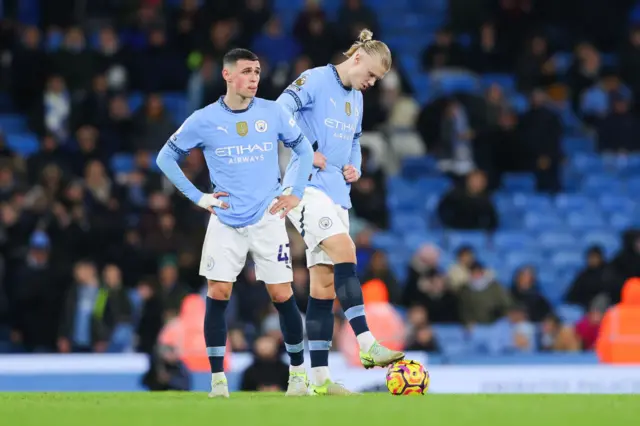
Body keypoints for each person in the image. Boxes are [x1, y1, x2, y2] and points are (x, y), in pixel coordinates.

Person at [156, 48, 314, 398]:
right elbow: (165, 157)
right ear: (228, 75)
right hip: (225, 220)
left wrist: (294, 191)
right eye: (246, 71)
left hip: (268, 217)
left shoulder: (273, 112)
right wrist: (198, 196)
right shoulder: (204, 118)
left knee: (282, 293)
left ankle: (299, 376)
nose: (254, 78)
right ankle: (217, 381)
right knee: (218, 292)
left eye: (257, 71)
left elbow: (303, 149)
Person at [276, 29, 404, 395]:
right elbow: (280, 109)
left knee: (324, 287)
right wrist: (303, 148)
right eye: (372, 75)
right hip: (305, 188)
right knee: (345, 249)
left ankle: (318, 381)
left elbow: (353, 140)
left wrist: (356, 166)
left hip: (337, 194)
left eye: (377, 81)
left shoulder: (356, 100)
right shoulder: (316, 78)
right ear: (358, 59)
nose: (371, 83)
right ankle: (366, 343)